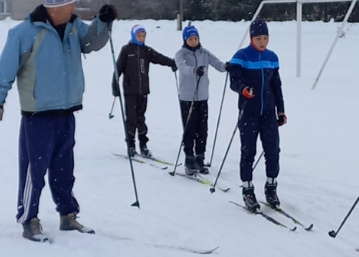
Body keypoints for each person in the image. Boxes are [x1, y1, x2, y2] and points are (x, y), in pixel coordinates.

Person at [0, 0, 117, 242]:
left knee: (63, 169)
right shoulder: (24, 33)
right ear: (53, 7)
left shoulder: (73, 26)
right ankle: (29, 219)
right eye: (69, 4)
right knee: (35, 171)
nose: (73, 8)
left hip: (66, 111)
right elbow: (4, 69)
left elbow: (92, 42)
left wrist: (104, 21)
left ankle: (68, 216)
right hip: (38, 114)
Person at [229, 18, 287, 211]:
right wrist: (243, 89)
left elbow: (276, 86)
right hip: (249, 114)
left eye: (265, 38)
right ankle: (247, 190)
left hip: (268, 114)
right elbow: (234, 81)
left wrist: (281, 110)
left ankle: (271, 188)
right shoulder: (242, 56)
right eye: (258, 38)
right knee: (248, 152)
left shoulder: (272, 57)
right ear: (251, 38)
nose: (262, 42)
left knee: (273, 151)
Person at [112, 24, 177, 158]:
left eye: (143, 36)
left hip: (143, 90)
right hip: (130, 90)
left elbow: (159, 58)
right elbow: (118, 69)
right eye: (138, 36)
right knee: (131, 118)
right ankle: (130, 146)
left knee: (141, 118)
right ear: (133, 36)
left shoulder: (147, 51)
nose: (141, 38)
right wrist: (115, 85)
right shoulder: (126, 50)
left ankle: (143, 146)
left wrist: (171, 62)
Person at [174, 25, 228, 175]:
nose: (193, 41)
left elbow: (217, 63)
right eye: (190, 38)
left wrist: (227, 67)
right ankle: (189, 160)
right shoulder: (181, 54)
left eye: (195, 38)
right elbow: (182, 68)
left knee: (202, 130)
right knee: (189, 129)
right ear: (185, 39)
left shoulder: (204, 52)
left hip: (202, 97)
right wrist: (194, 70)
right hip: (187, 97)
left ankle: (200, 158)